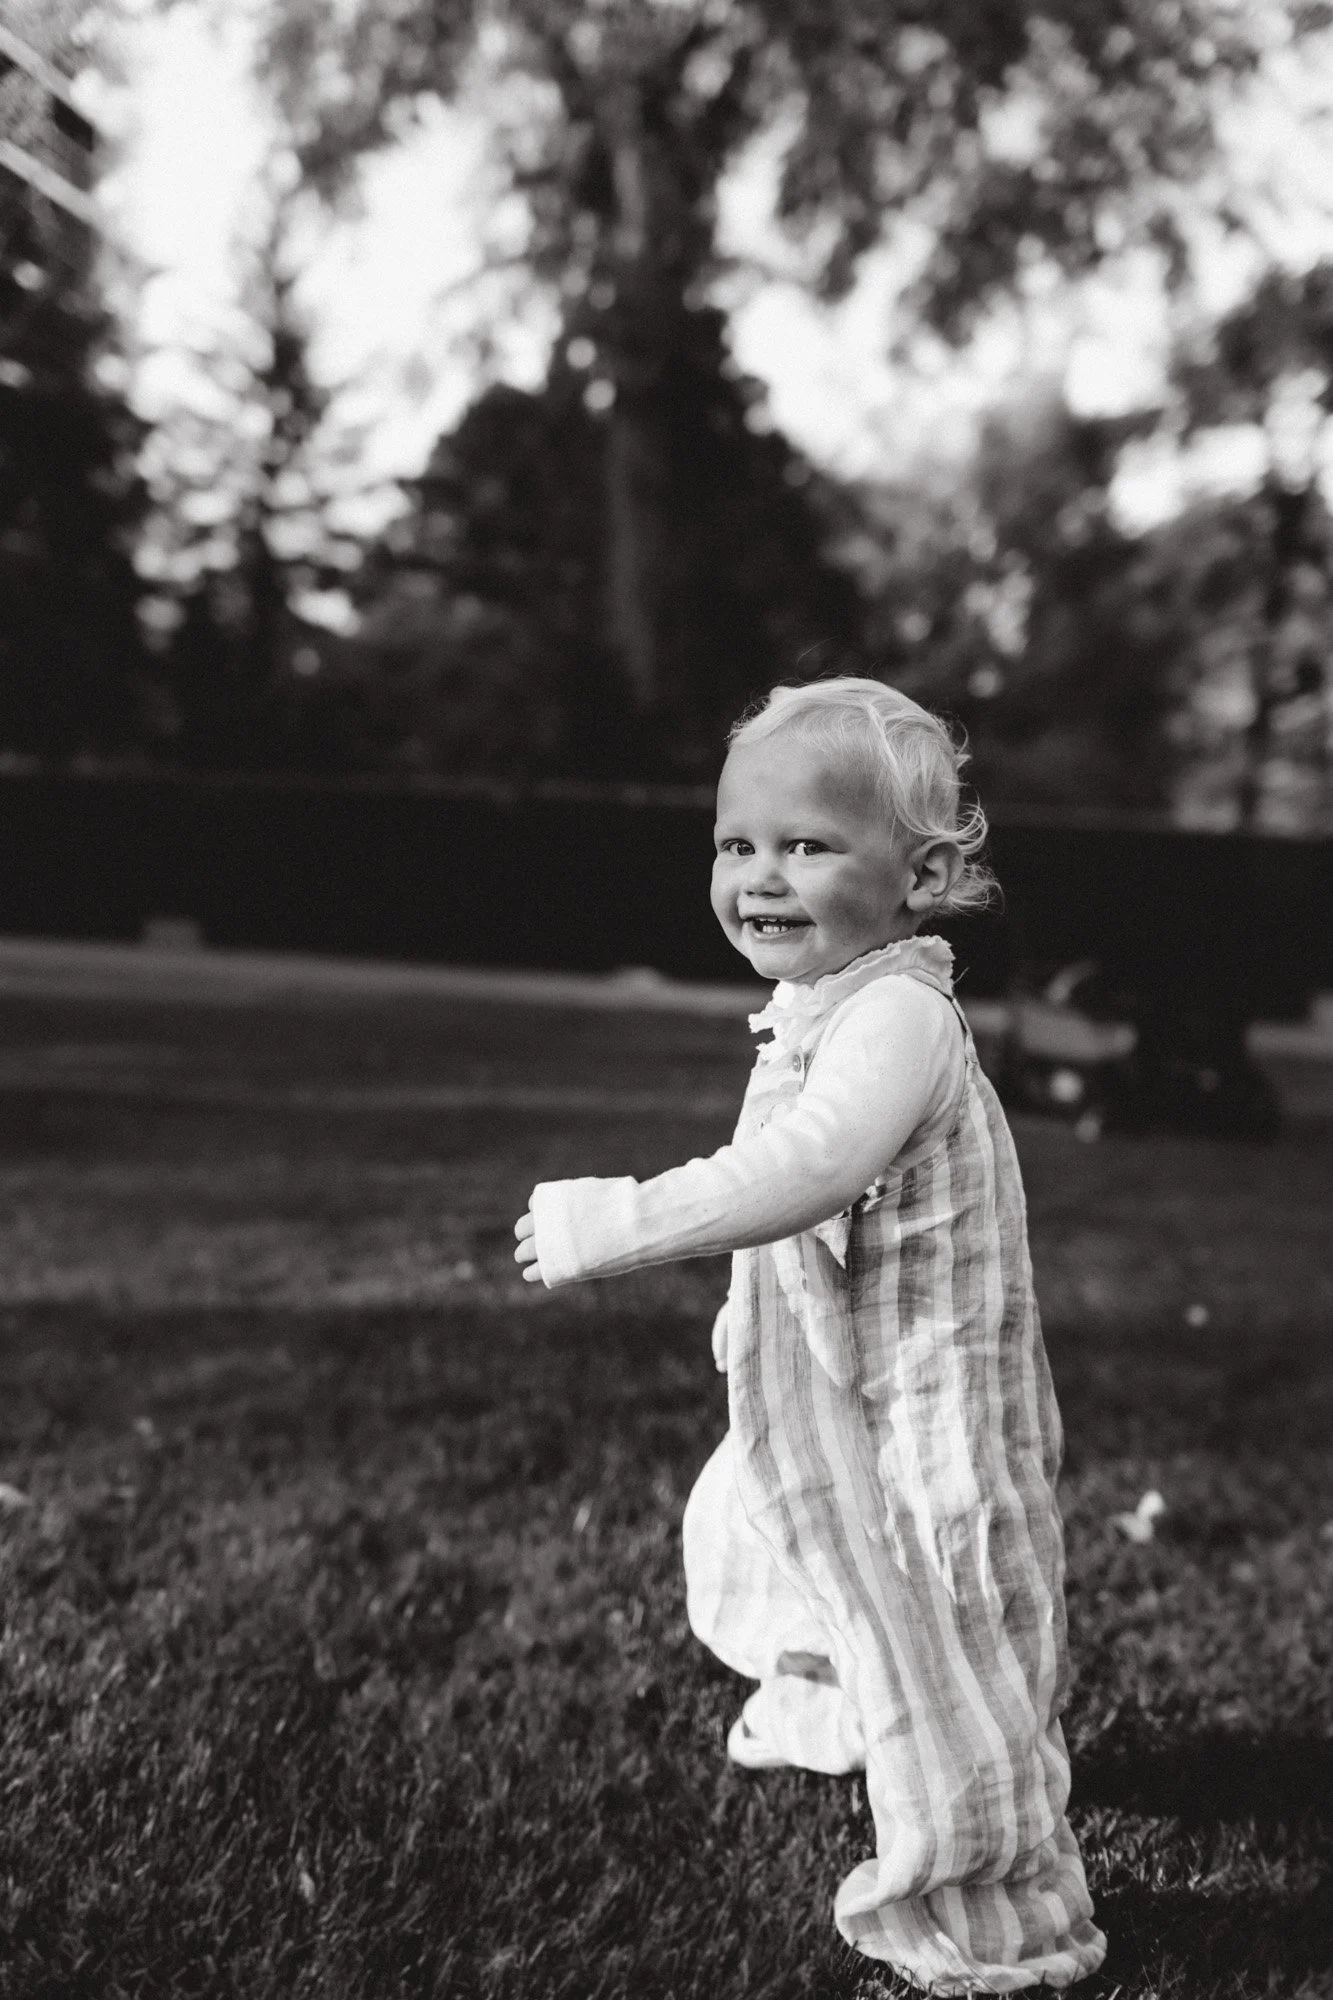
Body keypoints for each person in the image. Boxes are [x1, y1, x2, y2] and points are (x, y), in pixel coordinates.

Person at [513, 678, 1107, 1994]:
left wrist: (618, 1221)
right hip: (850, 1364)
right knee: (767, 1516)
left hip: (934, 1382)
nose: (760, 876)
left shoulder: (898, 1014)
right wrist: (749, 1315)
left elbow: (817, 1164)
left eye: (808, 845)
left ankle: (997, 1892)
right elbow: (788, 1173)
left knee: (951, 1590)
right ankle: (836, 1698)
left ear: (924, 874)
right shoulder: (827, 1000)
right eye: (737, 844)